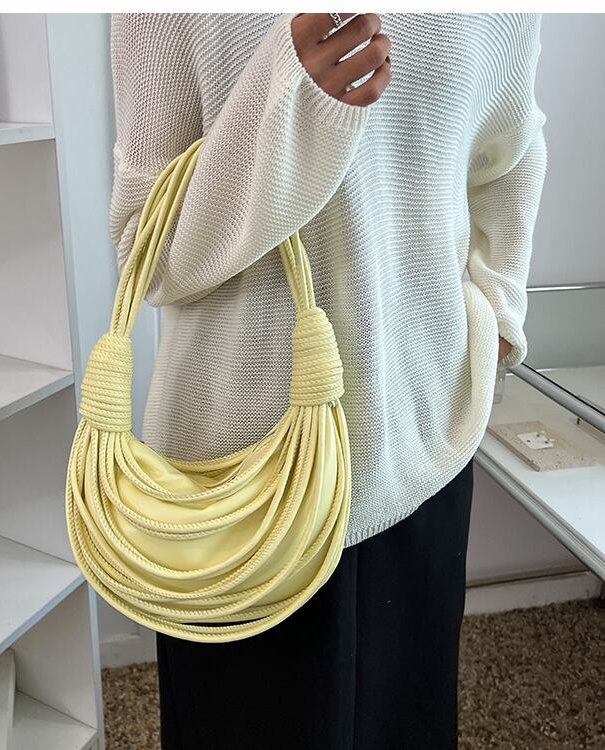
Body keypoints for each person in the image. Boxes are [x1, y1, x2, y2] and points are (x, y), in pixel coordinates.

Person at [108, 12, 547, 749]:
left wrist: (500, 304)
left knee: (406, 721)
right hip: (236, 469)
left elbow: (513, 148)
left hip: (422, 433)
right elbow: (145, 252)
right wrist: (287, 99)